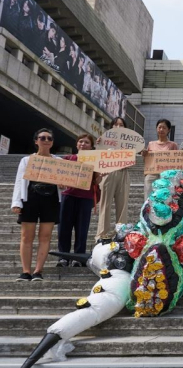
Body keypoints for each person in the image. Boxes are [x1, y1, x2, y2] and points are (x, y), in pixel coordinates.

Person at [11, 129, 62, 281]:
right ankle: (26, 271)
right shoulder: (27, 160)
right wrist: (16, 201)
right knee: (27, 236)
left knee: (45, 236)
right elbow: (20, 181)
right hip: (30, 198)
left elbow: (66, 181)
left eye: (49, 138)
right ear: (36, 141)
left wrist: (63, 183)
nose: (46, 140)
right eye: (42, 137)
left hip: (51, 199)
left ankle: (38, 270)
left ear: (52, 142)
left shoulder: (59, 162)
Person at [57, 134, 101, 267]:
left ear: (91, 146)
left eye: (86, 142)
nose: (83, 144)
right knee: (64, 227)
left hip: (85, 198)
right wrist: (60, 182)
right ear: (76, 144)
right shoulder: (68, 159)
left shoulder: (95, 162)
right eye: (80, 141)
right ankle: (63, 256)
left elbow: (97, 181)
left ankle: (79, 256)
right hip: (68, 196)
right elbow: (59, 177)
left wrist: (101, 176)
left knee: (82, 228)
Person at [95, 117, 131, 243]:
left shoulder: (129, 142)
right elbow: (98, 157)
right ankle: (102, 234)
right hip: (108, 172)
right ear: (111, 127)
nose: (118, 127)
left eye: (121, 125)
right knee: (105, 204)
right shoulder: (104, 141)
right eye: (116, 124)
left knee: (123, 205)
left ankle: (121, 234)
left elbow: (132, 160)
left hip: (123, 172)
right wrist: (99, 143)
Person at [142, 119, 178, 199]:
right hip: (151, 175)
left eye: (164, 128)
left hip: (166, 177)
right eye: (159, 127)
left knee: (164, 200)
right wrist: (144, 155)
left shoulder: (173, 145)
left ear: (169, 130)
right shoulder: (151, 144)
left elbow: (177, 162)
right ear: (156, 129)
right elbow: (147, 161)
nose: (161, 129)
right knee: (149, 199)